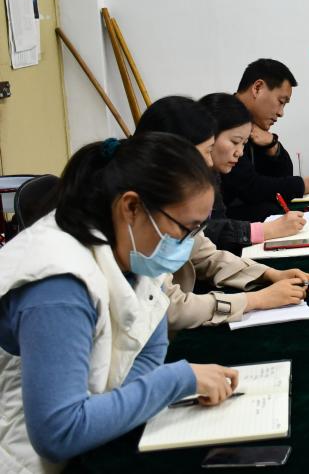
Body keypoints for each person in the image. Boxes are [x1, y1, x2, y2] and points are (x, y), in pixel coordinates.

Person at [0, 134, 239, 471]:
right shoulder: (57, 284)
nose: (187, 244)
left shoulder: (135, 251)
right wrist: (175, 381)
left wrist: (113, 407)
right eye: (185, 229)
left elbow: (149, 353)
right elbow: (59, 432)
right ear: (131, 207)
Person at [135, 96, 309, 331]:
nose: (209, 161)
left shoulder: (174, 197)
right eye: (206, 151)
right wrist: (255, 300)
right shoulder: (141, 213)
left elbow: (204, 254)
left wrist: (268, 274)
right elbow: (168, 307)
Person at [222, 59, 309, 221]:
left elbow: (282, 176)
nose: (281, 113)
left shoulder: (253, 125)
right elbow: (249, 187)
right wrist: (308, 184)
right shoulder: (223, 118)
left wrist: (273, 146)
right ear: (257, 88)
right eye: (281, 102)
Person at [199, 92, 306, 253]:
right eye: (235, 142)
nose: (240, 152)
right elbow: (206, 235)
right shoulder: (189, 179)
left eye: (244, 144)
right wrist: (267, 230)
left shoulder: (213, 174)